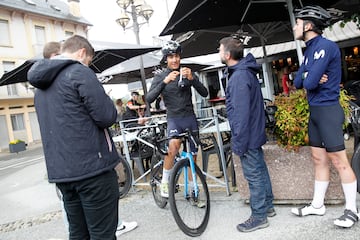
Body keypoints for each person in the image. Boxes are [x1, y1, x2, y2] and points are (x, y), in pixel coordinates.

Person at [28, 35, 136, 239]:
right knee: (102, 234)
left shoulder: (40, 85)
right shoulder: (79, 72)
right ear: (82, 53)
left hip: (63, 173)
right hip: (92, 171)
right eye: (89, 62)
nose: (89, 66)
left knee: (78, 234)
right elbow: (106, 116)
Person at [291, 5, 358, 228]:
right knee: (318, 159)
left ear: (308, 26)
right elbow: (297, 82)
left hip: (328, 110)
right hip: (315, 112)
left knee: (339, 161)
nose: (294, 26)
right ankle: (317, 205)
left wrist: (309, 76)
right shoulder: (309, 50)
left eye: (298, 22)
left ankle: (352, 210)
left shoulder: (326, 46)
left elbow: (307, 82)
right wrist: (309, 76)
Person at [218, 35, 275, 232]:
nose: (218, 52)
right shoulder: (244, 71)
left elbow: (241, 115)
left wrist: (238, 142)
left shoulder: (239, 77)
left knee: (253, 174)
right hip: (255, 131)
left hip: (248, 134)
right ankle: (267, 207)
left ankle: (259, 216)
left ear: (226, 55)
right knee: (259, 169)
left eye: (219, 49)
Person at [146, 40, 208, 198]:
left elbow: (205, 93)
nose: (174, 60)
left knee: (192, 155)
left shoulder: (187, 72)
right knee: (172, 148)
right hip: (174, 118)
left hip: (190, 117)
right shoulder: (160, 76)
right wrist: (165, 82)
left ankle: (193, 187)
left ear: (180, 57)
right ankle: (166, 182)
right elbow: (149, 98)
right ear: (166, 59)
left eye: (177, 56)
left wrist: (192, 79)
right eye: (171, 57)